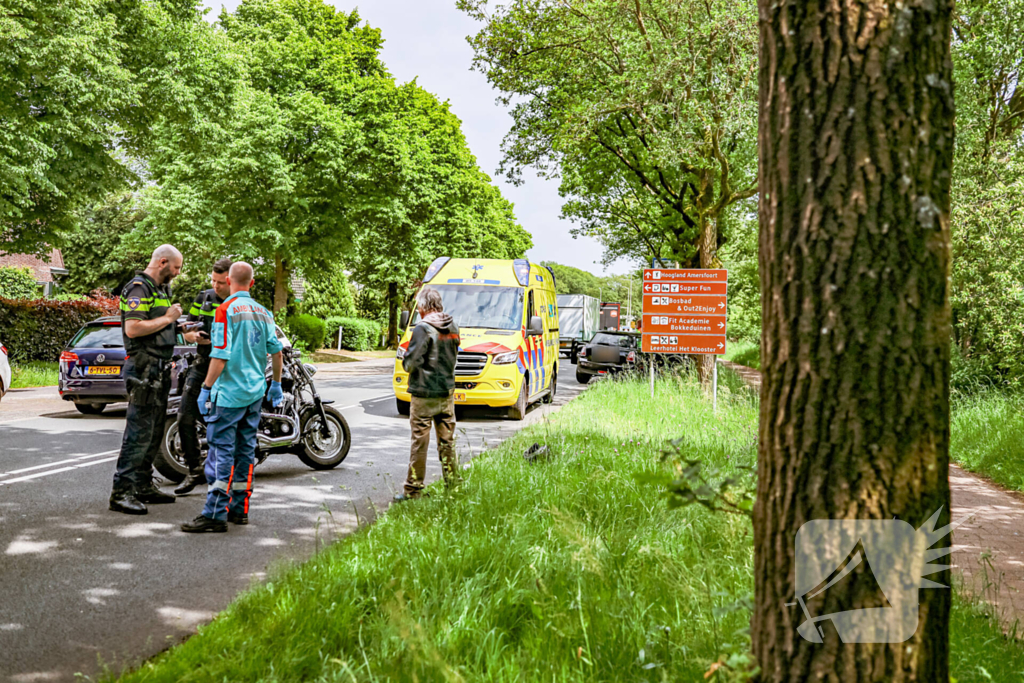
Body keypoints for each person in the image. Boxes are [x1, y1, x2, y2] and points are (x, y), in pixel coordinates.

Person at [181, 262, 284, 533]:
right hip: (254, 393)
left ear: (229, 280)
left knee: (221, 454)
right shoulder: (264, 312)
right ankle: (240, 509)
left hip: (228, 395)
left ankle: (214, 514)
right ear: (251, 283)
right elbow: (277, 351)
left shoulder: (225, 310)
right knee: (245, 452)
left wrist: (205, 387)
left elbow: (220, 355)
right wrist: (276, 384)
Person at [109, 245, 184, 515]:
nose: (177, 273)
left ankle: (142, 486)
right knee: (138, 433)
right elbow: (134, 327)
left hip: (159, 368)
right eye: (175, 268)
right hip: (143, 368)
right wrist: (168, 318)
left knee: (153, 434)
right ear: (162, 262)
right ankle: (121, 492)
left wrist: (181, 328)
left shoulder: (159, 290)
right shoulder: (139, 287)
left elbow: (161, 328)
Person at [394, 288, 461, 502]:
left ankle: (413, 491)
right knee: (447, 442)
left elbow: (410, 364)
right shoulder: (453, 326)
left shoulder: (423, 328)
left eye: (419, 308)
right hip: (446, 393)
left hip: (424, 394)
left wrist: (406, 357)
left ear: (423, 307)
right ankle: (453, 487)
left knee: (419, 442)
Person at [173, 258, 232, 495]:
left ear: (231, 280)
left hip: (228, 368)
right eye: (213, 281)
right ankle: (195, 470)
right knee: (184, 416)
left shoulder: (237, 302)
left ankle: (226, 475)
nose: (216, 286)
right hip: (202, 362)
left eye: (221, 282)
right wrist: (191, 335)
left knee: (226, 422)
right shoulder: (204, 297)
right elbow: (188, 326)